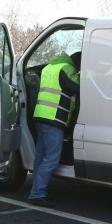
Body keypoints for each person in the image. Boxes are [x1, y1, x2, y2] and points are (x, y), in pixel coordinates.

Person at [28, 51, 81, 207]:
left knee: (41, 156)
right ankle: (37, 193)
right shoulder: (67, 69)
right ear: (77, 64)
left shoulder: (49, 67)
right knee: (51, 158)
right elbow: (77, 86)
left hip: (41, 116)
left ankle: (35, 190)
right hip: (53, 119)